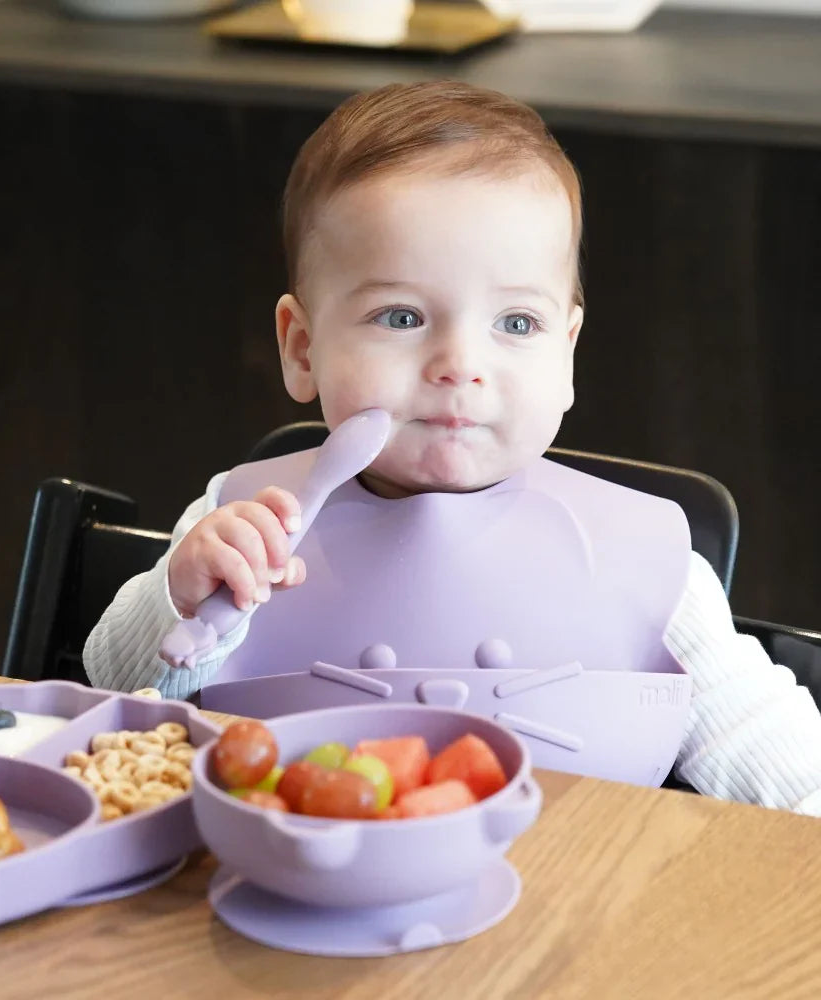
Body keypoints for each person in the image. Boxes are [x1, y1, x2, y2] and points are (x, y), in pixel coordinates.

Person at [84, 81, 821, 815]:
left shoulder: (645, 562)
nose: (459, 362)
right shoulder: (242, 524)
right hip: (301, 907)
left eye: (517, 324)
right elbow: (109, 684)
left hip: (576, 914)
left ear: (567, 352)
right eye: (401, 316)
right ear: (302, 349)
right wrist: (185, 595)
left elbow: (775, 755)